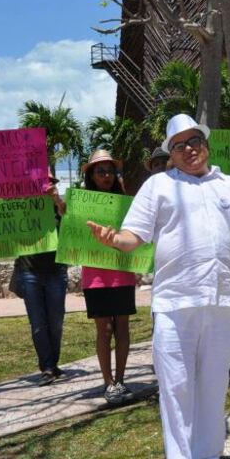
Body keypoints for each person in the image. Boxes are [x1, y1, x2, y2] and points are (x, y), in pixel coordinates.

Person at [87, 113, 230, 459]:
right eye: (180, 144)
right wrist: (116, 240)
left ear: (206, 143)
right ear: (171, 152)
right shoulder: (158, 186)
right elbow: (135, 235)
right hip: (174, 303)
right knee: (177, 387)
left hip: (219, 303)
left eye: (195, 140)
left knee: (214, 385)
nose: (190, 149)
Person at [0, 170, 68, 386]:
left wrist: (57, 202)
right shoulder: (19, 206)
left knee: (55, 322)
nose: (43, 187)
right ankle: (46, 367)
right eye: (39, 183)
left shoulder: (59, 207)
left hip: (56, 271)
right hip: (29, 273)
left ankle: (53, 363)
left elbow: (71, 224)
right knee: (38, 324)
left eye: (47, 183)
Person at [80, 149, 140, 405]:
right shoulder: (80, 205)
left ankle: (121, 378)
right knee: (103, 329)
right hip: (95, 276)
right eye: (100, 170)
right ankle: (108, 382)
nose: (106, 175)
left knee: (122, 327)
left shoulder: (127, 203)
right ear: (91, 175)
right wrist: (61, 208)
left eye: (110, 171)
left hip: (122, 274)